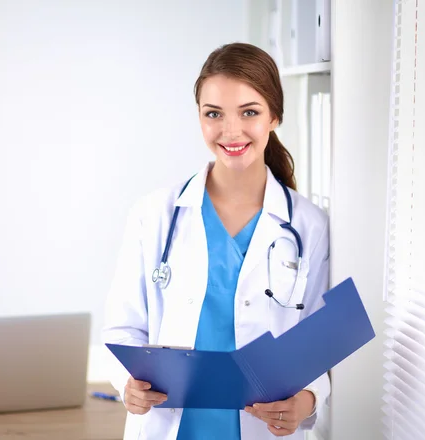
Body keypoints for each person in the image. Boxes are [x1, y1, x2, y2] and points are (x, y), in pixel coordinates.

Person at [102, 42, 331, 440]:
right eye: (214, 114)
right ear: (199, 117)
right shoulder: (154, 214)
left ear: (274, 116)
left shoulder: (309, 226)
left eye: (249, 112)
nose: (231, 131)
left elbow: (318, 344)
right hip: (170, 426)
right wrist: (127, 384)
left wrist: (306, 400)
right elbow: (123, 329)